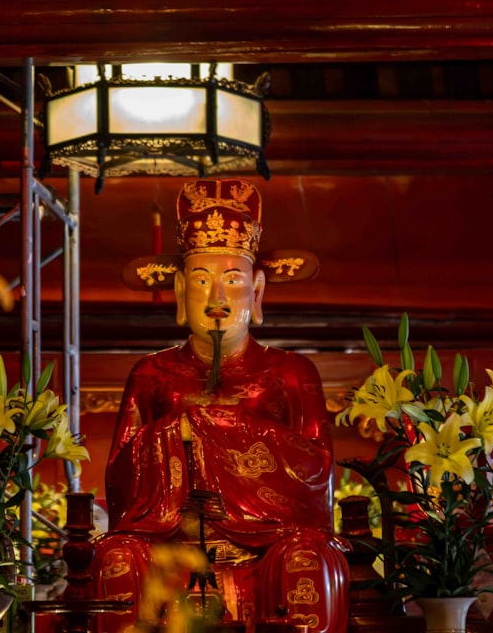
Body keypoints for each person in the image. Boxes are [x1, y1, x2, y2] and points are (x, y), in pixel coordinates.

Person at [93, 179, 348, 633]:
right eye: (201, 281)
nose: (216, 299)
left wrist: (218, 427)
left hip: (270, 548)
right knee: (117, 556)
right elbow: (119, 477)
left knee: (309, 556)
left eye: (232, 281)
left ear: (258, 292)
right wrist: (171, 436)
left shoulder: (292, 372)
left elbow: (318, 473)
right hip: (170, 550)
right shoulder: (151, 374)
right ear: (178, 292)